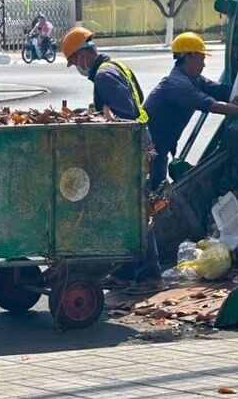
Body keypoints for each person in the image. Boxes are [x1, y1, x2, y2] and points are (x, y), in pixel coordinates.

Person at [60, 26, 162, 291]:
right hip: (139, 145)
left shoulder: (104, 76)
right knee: (131, 212)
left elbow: (125, 118)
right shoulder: (115, 67)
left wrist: (103, 118)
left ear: (83, 55)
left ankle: (150, 275)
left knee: (136, 213)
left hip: (131, 149)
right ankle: (128, 272)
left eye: (74, 61)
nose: (76, 67)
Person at [144, 32, 238, 190]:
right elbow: (215, 107)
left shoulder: (194, 79)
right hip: (150, 145)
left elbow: (220, 91)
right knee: (154, 185)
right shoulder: (178, 85)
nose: (204, 65)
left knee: (157, 184)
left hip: (161, 142)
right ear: (189, 57)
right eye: (201, 59)